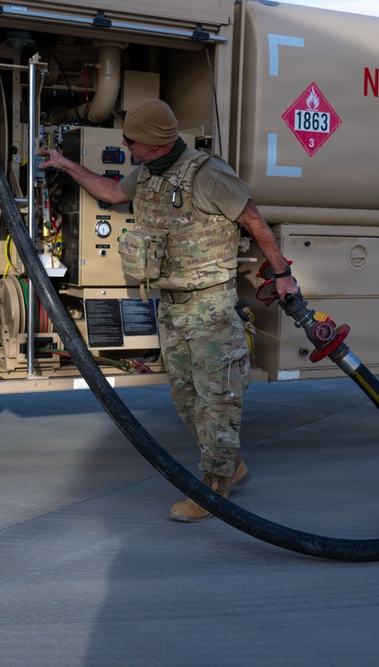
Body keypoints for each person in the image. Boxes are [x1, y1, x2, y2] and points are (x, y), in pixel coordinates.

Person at [39, 99, 298, 522]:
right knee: (185, 399)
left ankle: (213, 491)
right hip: (172, 309)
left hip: (210, 307)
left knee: (218, 402)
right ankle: (231, 466)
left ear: (157, 144)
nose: (124, 145)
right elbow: (109, 191)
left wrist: (282, 273)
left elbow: (253, 219)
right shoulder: (148, 174)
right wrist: (65, 164)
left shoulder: (208, 174)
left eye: (131, 141)